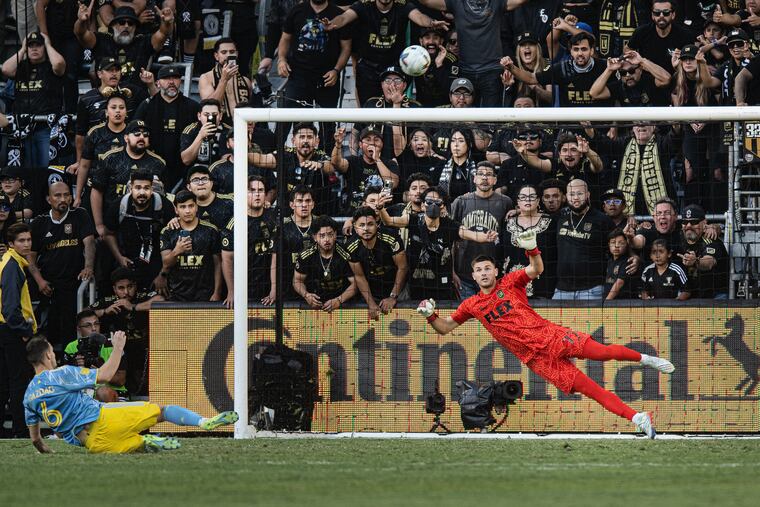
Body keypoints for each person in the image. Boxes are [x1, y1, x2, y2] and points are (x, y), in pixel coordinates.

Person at [416, 242, 673, 438]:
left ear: (495, 271)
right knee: (591, 390)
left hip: (552, 337)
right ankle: (639, 418)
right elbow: (445, 327)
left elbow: (536, 268)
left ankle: (646, 359)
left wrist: (532, 249)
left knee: (603, 352)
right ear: (473, 276)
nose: (483, 273)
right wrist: (430, 316)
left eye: (487, 268)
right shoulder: (471, 304)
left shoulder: (511, 282)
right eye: (478, 270)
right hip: (537, 359)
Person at [23, 334, 239, 453]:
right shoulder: (60, 374)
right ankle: (204, 422)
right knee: (161, 411)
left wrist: (48, 452)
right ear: (48, 355)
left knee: (137, 445)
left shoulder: (29, 396)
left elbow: (36, 440)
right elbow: (106, 375)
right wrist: (117, 347)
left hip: (94, 444)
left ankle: (148, 442)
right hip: (103, 419)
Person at [378, 186, 498, 300]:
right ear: (423, 205)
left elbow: (471, 234)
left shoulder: (450, 225)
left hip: (442, 287)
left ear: (443, 207)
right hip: (416, 286)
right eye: (429, 202)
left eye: (438, 202)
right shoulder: (413, 220)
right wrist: (381, 208)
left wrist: (486, 236)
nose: (433, 205)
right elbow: (388, 221)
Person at [322, 0, 448, 104]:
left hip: (393, 67)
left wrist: (431, 23)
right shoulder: (364, 5)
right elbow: (344, 18)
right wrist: (333, 24)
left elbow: (419, 17)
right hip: (368, 68)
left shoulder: (402, 5)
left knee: (393, 107)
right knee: (369, 108)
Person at [419, 0, 531, 107]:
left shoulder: (496, 2)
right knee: (466, 120)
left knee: (491, 121)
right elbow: (426, 2)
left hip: (491, 71)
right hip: (466, 71)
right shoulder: (457, 3)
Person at [28, 182, 96, 349]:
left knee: (69, 329)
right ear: (48, 199)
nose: (63, 199)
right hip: (48, 284)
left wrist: (88, 266)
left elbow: (89, 243)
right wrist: (39, 281)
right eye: (58, 195)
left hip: (73, 282)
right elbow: (30, 258)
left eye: (66, 195)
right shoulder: (39, 223)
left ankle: (69, 361)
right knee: (47, 329)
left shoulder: (80, 215)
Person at [277, 0, 352, 147]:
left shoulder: (338, 14)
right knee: (285, 121)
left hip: (327, 78)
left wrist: (336, 70)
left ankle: (326, 163)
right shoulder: (297, 11)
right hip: (298, 74)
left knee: (328, 126)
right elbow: (285, 38)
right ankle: (278, 158)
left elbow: (346, 47)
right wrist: (281, 60)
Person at [87, 268, 162, 395]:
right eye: (121, 288)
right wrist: (105, 311)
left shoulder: (142, 296)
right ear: (114, 289)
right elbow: (85, 313)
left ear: (135, 286)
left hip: (145, 348)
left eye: (130, 287)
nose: (126, 292)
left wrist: (133, 307)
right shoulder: (109, 300)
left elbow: (161, 301)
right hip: (120, 350)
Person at [91, 120, 166, 238]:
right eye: (136, 134)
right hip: (112, 222)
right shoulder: (110, 158)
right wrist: (99, 224)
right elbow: (96, 191)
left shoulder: (158, 163)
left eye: (145, 135)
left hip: (145, 223)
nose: (142, 137)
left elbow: (162, 197)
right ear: (126, 138)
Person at [102, 170, 176, 292]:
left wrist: (163, 274)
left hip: (157, 261)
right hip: (128, 261)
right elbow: (108, 233)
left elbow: (172, 244)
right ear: (131, 188)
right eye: (138, 188)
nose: (142, 192)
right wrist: (119, 257)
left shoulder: (164, 206)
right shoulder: (119, 205)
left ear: (152, 189)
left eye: (146, 188)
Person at [1, 31, 65, 170]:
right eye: (31, 46)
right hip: (21, 127)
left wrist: (48, 44)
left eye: (38, 45)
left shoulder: (51, 67)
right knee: (23, 170)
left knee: (45, 169)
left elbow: (60, 63)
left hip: (45, 127)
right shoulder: (21, 66)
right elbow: (5, 69)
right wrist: (23, 49)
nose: (34, 48)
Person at [74, 3, 173, 93]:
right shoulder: (101, 40)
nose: (126, 26)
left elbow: (163, 33)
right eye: (122, 22)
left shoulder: (143, 42)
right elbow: (81, 33)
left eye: (130, 23)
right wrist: (81, 21)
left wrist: (166, 23)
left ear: (135, 27)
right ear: (112, 25)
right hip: (105, 100)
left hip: (136, 101)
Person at [451, 161, 512, 299]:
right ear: (474, 178)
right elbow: (451, 238)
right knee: (469, 319)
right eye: (481, 174)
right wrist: (452, 271)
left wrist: (516, 211)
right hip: (464, 274)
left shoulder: (505, 202)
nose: (484, 178)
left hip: (493, 275)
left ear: (495, 180)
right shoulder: (461, 201)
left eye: (489, 175)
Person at [503, 32, 612, 108]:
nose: (579, 53)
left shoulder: (605, 67)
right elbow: (531, 78)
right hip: (571, 127)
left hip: (600, 124)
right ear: (571, 51)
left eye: (584, 49)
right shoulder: (562, 68)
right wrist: (511, 67)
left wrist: (614, 127)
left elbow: (617, 97)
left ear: (592, 51)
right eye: (576, 49)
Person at [134, 65, 200, 190]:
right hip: (152, 167)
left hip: (183, 169)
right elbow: (134, 133)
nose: (171, 82)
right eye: (166, 78)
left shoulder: (192, 107)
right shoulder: (147, 106)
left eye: (175, 78)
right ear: (158, 83)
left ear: (180, 81)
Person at [0, 223, 37, 438]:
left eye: (29, 240)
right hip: (11, 329)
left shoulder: (7, 262)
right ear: (11, 244)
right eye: (21, 241)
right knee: (18, 381)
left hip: (5, 327)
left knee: (5, 381)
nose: (26, 244)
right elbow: (11, 307)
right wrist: (24, 329)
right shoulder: (12, 265)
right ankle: (20, 429)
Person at [553, 179, 616, 300]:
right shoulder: (559, 217)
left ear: (588, 195)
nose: (576, 198)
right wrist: (519, 211)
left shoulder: (602, 220)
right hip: (562, 290)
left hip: (592, 290)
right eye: (572, 194)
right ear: (566, 196)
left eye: (580, 193)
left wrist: (634, 257)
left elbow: (618, 247)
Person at [221, 176, 277, 308]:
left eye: (261, 190)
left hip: (268, 291)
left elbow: (276, 257)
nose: (257, 194)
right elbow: (227, 260)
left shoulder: (273, 219)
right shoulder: (235, 224)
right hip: (243, 290)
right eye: (252, 190)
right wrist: (231, 291)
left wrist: (274, 289)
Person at [627, 1, 698, 105]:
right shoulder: (642, 32)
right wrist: (639, 64)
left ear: (673, 15)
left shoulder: (684, 35)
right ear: (652, 15)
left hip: (676, 80)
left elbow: (692, 58)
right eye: (657, 13)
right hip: (650, 79)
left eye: (665, 13)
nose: (661, 16)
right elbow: (627, 49)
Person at [159, 191, 222, 302]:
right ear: (176, 209)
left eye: (191, 206)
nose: (187, 211)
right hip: (177, 295)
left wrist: (217, 292)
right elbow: (166, 263)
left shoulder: (211, 230)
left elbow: (218, 264)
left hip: (205, 294)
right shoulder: (168, 232)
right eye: (182, 207)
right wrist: (177, 251)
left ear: (196, 207)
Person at [347, 206, 408, 320]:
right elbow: (359, 276)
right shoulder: (351, 246)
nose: (366, 229)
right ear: (355, 228)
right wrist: (370, 303)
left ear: (377, 224)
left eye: (370, 224)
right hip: (371, 292)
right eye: (361, 225)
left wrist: (393, 296)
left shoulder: (391, 238)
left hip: (398, 290)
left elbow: (403, 267)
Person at [74, 88, 130, 210]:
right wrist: (78, 196)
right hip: (94, 187)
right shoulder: (95, 133)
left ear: (126, 112)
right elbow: (84, 166)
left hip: (121, 191)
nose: (118, 111)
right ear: (106, 112)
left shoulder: (132, 133)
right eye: (113, 107)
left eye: (121, 107)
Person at [498, 184, 558, 299]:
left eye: (531, 197)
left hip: (542, 286)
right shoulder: (507, 222)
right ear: (518, 201)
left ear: (538, 200)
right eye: (523, 197)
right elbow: (500, 254)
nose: (527, 200)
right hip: (511, 287)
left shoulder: (551, 223)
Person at [331, 126, 400, 214]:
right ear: (360, 144)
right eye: (368, 140)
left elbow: (392, 183)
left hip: (382, 216)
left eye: (376, 140)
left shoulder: (389, 163)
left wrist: (377, 159)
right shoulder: (353, 161)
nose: (372, 143)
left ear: (382, 143)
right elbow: (336, 163)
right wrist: (338, 144)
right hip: (355, 215)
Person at [294, 215, 356, 311]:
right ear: (314, 237)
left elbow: (356, 283)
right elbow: (297, 281)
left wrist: (339, 300)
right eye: (322, 236)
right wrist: (306, 295)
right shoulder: (305, 256)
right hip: (315, 303)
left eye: (330, 234)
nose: (326, 239)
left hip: (343, 303)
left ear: (335, 234)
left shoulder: (346, 254)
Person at [62, 310, 127, 399]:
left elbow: (120, 380)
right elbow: (65, 381)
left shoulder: (113, 343)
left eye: (96, 324)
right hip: (83, 393)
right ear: (79, 329)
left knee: (103, 392)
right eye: (88, 325)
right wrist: (75, 368)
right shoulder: (71, 347)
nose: (94, 328)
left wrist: (101, 370)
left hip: (114, 393)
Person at [677, 204, 729, 299]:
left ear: (704, 223)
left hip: (715, 295)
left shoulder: (711, 239)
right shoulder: (678, 238)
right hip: (689, 294)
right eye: (685, 222)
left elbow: (709, 262)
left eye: (694, 222)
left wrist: (696, 261)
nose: (688, 226)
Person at [589, 50, 673, 107]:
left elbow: (666, 79)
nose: (628, 75)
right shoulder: (618, 86)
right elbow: (594, 93)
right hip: (630, 130)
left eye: (632, 71)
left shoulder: (649, 80)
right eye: (623, 73)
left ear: (640, 69)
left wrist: (642, 61)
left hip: (653, 127)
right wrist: (609, 69)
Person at [199, 38, 254, 122]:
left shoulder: (246, 81)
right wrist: (224, 80)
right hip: (219, 128)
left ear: (237, 54)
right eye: (224, 52)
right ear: (216, 56)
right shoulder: (206, 78)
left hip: (243, 126)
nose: (228, 55)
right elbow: (209, 107)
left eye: (232, 52)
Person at [413, 27, 460, 107]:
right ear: (421, 41)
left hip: (444, 109)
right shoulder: (413, 57)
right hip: (421, 109)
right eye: (427, 38)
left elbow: (451, 90)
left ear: (441, 41)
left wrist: (439, 66)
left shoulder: (451, 59)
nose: (431, 41)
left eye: (435, 38)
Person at [180, 99, 228, 169]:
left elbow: (228, 161)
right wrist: (200, 136)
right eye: (206, 115)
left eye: (214, 115)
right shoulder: (191, 130)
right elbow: (186, 160)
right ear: (199, 116)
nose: (210, 118)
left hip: (219, 175)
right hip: (195, 174)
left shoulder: (227, 130)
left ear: (220, 116)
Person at [185, 166, 234, 231]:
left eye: (204, 179)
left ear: (211, 183)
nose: (200, 183)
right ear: (189, 187)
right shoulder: (185, 208)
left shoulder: (230, 202)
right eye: (195, 180)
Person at [604, 228, 639, 300]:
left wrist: (607, 301)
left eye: (620, 243)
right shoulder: (609, 261)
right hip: (612, 302)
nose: (616, 245)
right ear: (609, 244)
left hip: (624, 303)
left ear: (626, 244)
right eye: (613, 242)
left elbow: (619, 283)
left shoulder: (628, 261)